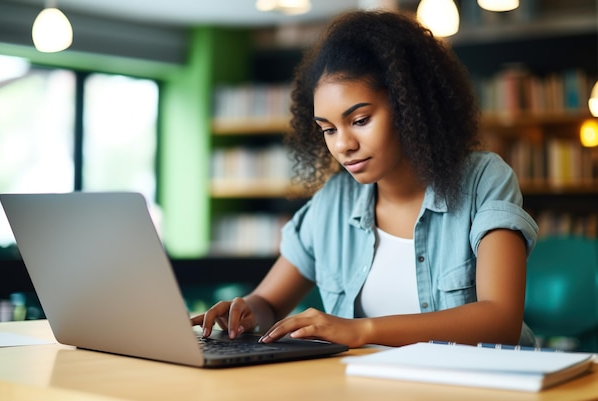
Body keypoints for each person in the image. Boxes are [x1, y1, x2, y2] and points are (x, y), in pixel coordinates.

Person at [191, 10, 538, 348]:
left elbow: (500, 322)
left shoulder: (482, 181)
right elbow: (268, 302)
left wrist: (361, 330)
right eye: (327, 129)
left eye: (359, 120)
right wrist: (246, 312)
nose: (343, 145)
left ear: (409, 105)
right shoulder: (333, 202)